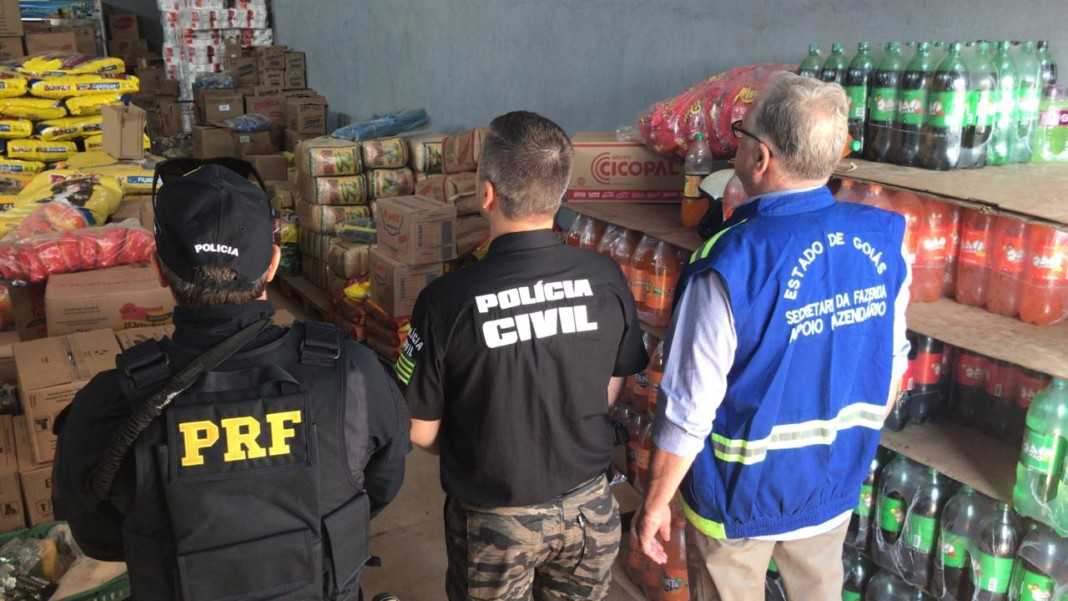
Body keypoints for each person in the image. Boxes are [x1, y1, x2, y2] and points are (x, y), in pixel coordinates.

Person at [52, 161, 411, 600]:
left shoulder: (109, 403)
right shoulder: (352, 371)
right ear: (274, 264)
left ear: (158, 269)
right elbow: (381, 488)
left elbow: (99, 538)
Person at [636, 72, 912, 601]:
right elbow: (893, 366)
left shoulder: (730, 262)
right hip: (832, 486)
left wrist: (654, 504)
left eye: (739, 133)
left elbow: (688, 410)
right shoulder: (887, 239)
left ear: (759, 158)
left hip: (737, 500)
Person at [397, 110, 648, 601]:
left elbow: (419, 430)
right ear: (560, 194)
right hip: (590, 511)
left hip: (494, 517)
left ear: (486, 193)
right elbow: (610, 386)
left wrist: (486, 444)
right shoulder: (606, 277)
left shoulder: (446, 300)